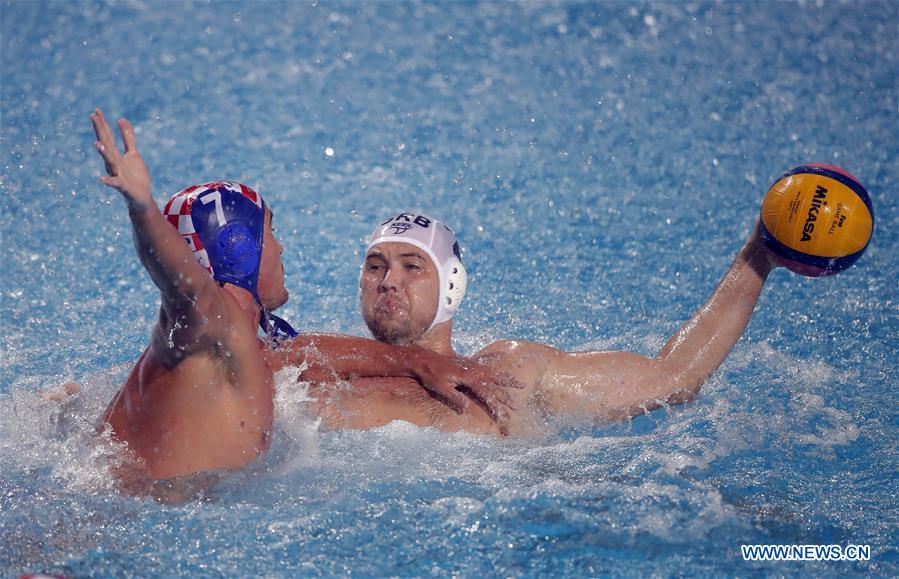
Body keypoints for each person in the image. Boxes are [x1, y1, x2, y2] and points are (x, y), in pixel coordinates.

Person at [88, 110, 519, 495]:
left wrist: (417, 361)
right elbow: (184, 286)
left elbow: (299, 353)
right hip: (126, 523)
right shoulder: (212, 322)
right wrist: (142, 207)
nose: (281, 248)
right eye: (270, 234)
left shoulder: (238, 342)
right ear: (239, 248)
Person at [305, 210, 779, 436]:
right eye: (375, 266)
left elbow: (674, 377)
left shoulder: (513, 372)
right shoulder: (319, 376)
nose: (389, 281)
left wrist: (759, 255)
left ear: (451, 285)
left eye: (412, 266)